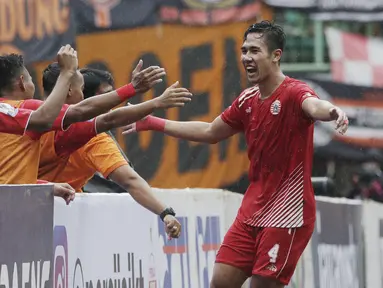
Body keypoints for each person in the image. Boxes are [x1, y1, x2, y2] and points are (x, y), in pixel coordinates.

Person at [122, 21, 349, 288]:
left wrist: (332, 111)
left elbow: (314, 105)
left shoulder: (294, 92)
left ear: (276, 55)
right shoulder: (247, 100)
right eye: (244, 51)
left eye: (255, 51)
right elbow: (209, 131)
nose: (246, 58)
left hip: (289, 212)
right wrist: (152, 122)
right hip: (252, 209)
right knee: (221, 282)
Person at [38, 65, 190, 238]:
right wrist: (165, 213)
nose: (111, 102)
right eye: (81, 89)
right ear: (71, 92)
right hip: (44, 219)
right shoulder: (89, 136)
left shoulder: (25, 113)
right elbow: (129, 179)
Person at [0, 47, 166, 185]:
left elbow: (10, 175)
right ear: (21, 82)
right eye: (81, 88)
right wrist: (136, 91)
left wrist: (47, 186)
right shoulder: (25, 109)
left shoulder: (15, 116)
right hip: (15, 209)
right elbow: (92, 115)